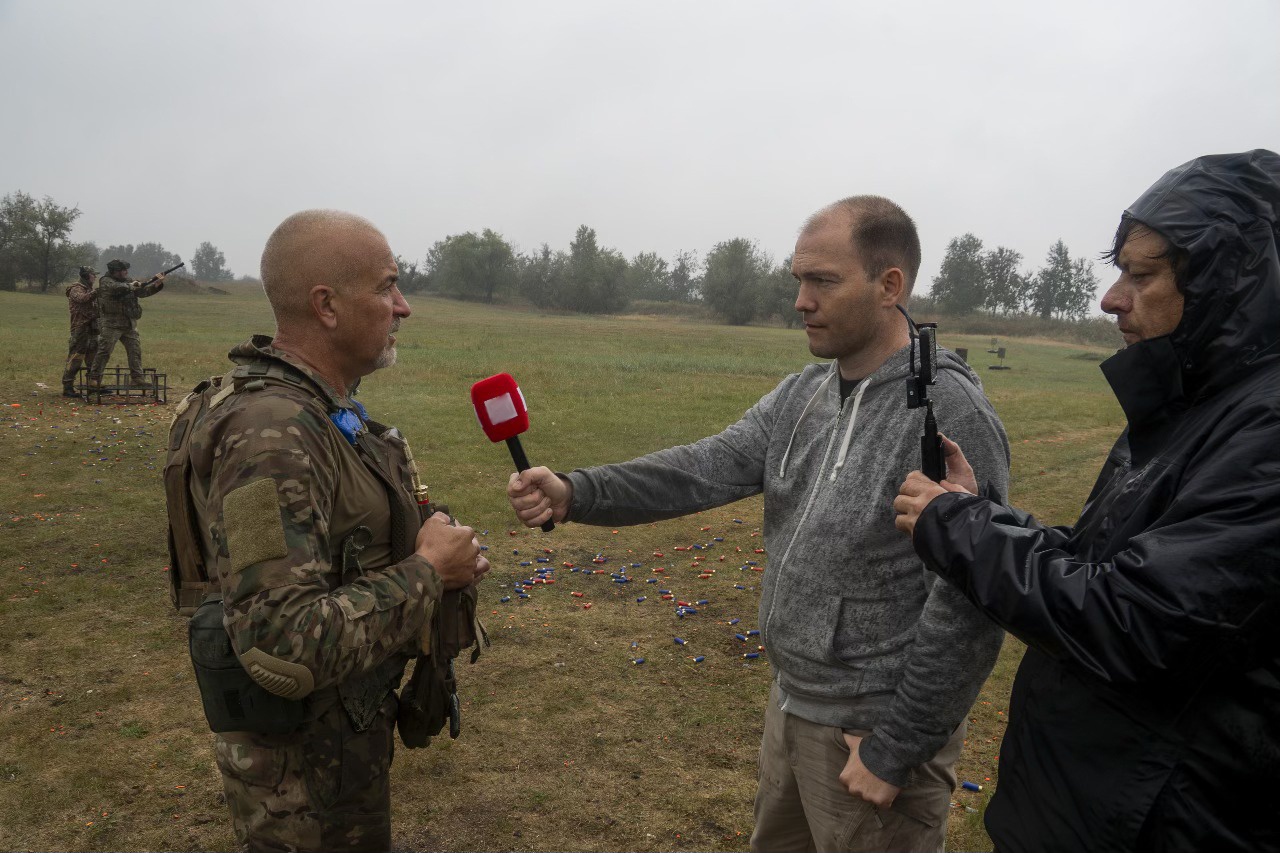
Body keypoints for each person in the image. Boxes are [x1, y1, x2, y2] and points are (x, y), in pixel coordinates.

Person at [509, 196, 1011, 852]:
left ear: (890, 286)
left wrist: (897, 746)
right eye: (797, 279)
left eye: (822, 280)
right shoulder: (802, 394)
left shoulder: (948, 413)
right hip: (794, 707)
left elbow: (974, 603)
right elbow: (705, 466)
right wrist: (578, 490)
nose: (801, 299)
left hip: (875, 734)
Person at [893, 149, 1280, 852]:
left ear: (1230, 280)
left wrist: (959, 526)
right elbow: (1104, 565)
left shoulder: (1265, 430)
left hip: (1161, 822)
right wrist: (985, 512)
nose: (1110, 297)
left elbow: (1134, 622)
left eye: (1142, 273)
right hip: (1089, 804)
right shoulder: (1193, 409)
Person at [173, 210, 490, 852]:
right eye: (386, 286)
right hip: (301, 781)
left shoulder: (321, 411)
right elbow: (282, 641)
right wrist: (429, 571)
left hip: (341, 743)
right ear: (326, 306)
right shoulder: (273, 433)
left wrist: (422, 543)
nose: (403, 307)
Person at [87, 258, 164, 389]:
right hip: (111, 324)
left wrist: (156, 285)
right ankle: (94, 379)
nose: (126, 272)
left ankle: (137, 378)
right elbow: (115, 288)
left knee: (135, 350)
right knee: (104, 350)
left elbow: (142, 292)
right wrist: (132, 285)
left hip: (129, 323)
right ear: (116, 271)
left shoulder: (128, 281)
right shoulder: (106, 281)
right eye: (123, 270)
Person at [61, 265, 99, 397]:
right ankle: (68, 386)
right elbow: (83, 299)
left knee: (93, 358)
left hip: (93, 328)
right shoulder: (76, 289)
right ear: (86, 276)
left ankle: (93, 385)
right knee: (76, 357)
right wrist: (97, 292)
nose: (95, 277)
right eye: (93, 275)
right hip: (80, 328)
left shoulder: (90, 289)